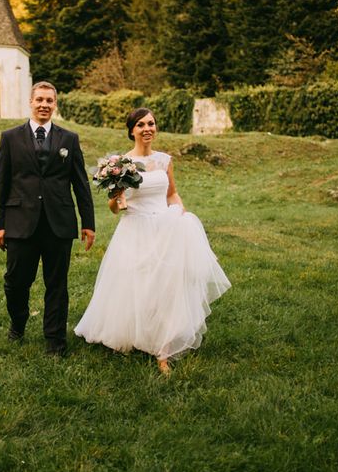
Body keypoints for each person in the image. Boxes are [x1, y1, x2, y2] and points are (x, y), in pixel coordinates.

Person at [74, 107, 231, 374]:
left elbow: (172, 193)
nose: (148, 129)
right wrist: (118, 199)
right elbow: (113, 207)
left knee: (166, 287)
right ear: (132, 130)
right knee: (134, 284)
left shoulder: (165, 160)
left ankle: (163, 347)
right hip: (134, 228)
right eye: (141, 125)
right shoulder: (120, 164)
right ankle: (130, 334)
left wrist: (180, 212)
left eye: (151, 124)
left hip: (165, 227)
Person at [0, 81, 96, 356]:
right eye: (39, 99)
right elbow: (0, 183)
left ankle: (55, 341)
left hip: (58, 223)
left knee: (57, 285)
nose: (44, 105)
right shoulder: (10, 137)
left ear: (55, 105)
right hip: (19, 222)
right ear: (30, 102)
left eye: (49, 101)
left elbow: (80, 183)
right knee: (16, 282)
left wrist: (88, 223)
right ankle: (18, 321)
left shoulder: (69, 139)